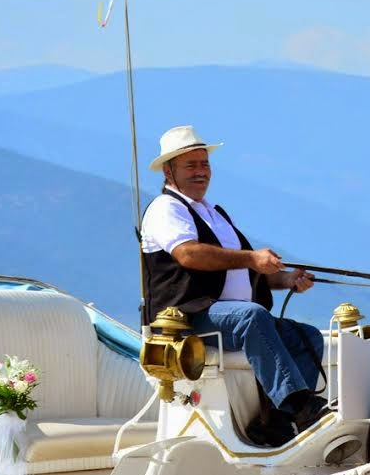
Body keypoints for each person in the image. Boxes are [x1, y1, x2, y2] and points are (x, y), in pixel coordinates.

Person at [139, 125, 329, 446]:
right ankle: (300, 405)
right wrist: (252, 259)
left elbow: (244, 268)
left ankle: (276, 422)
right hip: (188, 319)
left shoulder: (214, 212)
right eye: (191, 165)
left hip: (226, 316)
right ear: (169, 172)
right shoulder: (166, 209)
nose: (201, 172)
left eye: (205, 164)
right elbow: (188, 254)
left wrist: (286, 279)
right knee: (250, 317)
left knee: (306, 337)